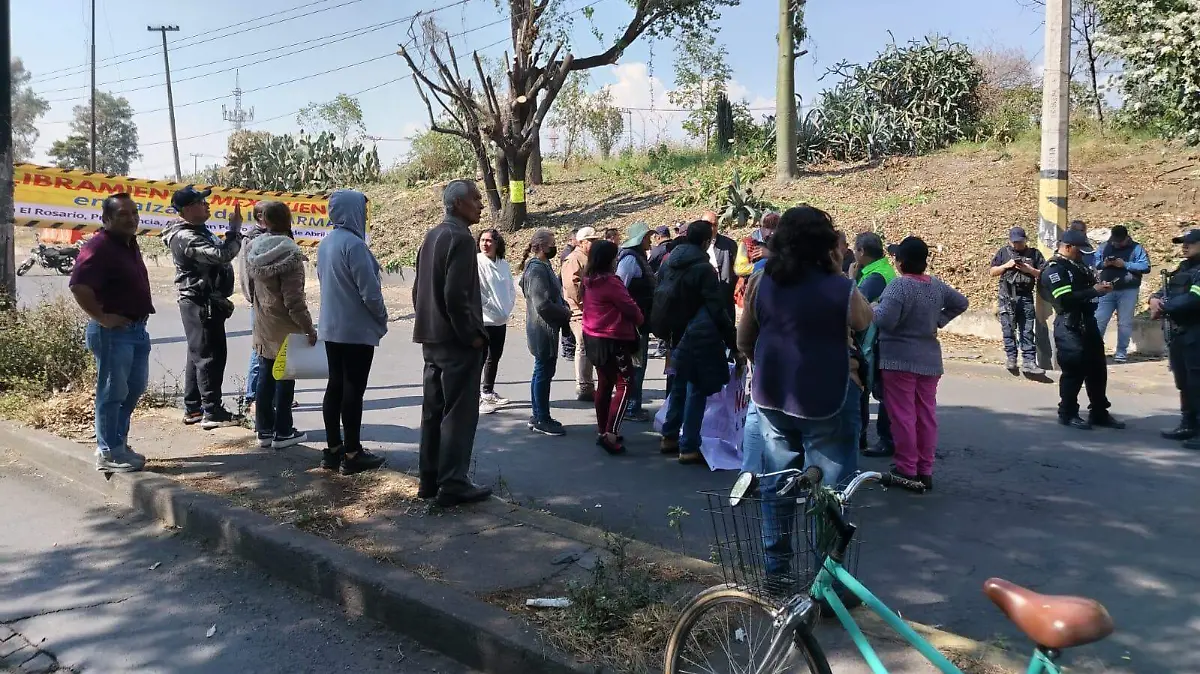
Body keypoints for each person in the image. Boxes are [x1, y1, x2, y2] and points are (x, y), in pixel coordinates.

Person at [738, 206, 871, 580]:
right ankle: (824, 584)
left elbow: (745, 339)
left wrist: (768, 366)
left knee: (776, 486)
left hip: (772, 397)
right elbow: (864, 320)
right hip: (829, 398)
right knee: (830, 496)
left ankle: (776, 573)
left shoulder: (761, 281)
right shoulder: (839, 287)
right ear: (826, 246)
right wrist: (838, 271)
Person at [412, 179, 493, 507]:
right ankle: (454, 483)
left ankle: (429, 480)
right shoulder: (461, 238)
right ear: (458, 204)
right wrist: (471, 336)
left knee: (433, 412)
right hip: (456, 342)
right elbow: (456, 297)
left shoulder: (432, 235)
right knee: (458, 415)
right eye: (476, 198)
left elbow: (418, 291)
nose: (481, 204)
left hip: (431, 338)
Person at [872, 237, 969, 490]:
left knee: (902, 416)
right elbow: (961, 302)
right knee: (926, 415)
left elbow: (885, 321)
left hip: (898, 360)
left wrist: (872, 309)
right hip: (929, 359)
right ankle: (925, 469)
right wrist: (938, 320)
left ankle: (907, 467)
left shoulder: (898, 286)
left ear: (901, 262)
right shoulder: (935, 285)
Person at [69, 192, 154, 473]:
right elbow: (79, 286)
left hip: (137, 330)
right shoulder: (100, 246)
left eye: (134, 213)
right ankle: (108, 452)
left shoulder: (129, 243)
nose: (131, 219)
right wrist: (102, 317)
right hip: (113, 333)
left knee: (133, 389)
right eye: (123, 214)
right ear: (106, 219)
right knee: (112, 392)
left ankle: (118, 443)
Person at [655, 219, 742, 464]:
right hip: (698, 334)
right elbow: (716, 308)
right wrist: (732, 343)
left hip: (675, 332)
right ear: (706, 242)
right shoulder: (703, 269)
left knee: (678, 385)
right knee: (696, 388)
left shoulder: (669, 262)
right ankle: (689, 446)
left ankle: (669, 435)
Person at [317, 190, 388, 475]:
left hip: (332, 327)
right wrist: (381, 317)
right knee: (353, 390)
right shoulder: (355, 245)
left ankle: (333, 449)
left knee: (335, 385)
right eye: (363, 210)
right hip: (355, 329)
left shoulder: (326, 243)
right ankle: (353, 452)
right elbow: (369, 292)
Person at [162, 185, 243, 429]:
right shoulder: (185, 237)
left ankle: (194, 408)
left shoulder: (197, 230)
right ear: (187, 209)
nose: (207, 205)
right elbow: (221, 255)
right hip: (200, 301)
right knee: (210, 357)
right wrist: (234, 232)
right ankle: (212, 411)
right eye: (200, 202)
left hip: (206, 301)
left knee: (198, 354)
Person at [244, 201, 316, 450]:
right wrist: (308, 328)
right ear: (288, 220)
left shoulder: (253, 248)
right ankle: (283, 431)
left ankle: (264, 429)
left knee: (265, 375)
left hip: (263, 321)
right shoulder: (290, 254)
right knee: (285, 378)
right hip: (285, 324)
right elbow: (294, 300)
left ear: (264, 221)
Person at [1038, 229, 1125, 431]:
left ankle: (1099, 412)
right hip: (1069, 324)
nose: (1082, 255)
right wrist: (1092, 291)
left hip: (1088, 321)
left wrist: (1100, 288)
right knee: (1074, 370)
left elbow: (1086, 289)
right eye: (1079, 251)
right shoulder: (1054, 269)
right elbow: (1064, 300)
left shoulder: (1077, 265)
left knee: (1097, 369)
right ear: (1068, 247)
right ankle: (1068, 412)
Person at [583, 240, 645, 454]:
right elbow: (629, 306)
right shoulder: (610, 282)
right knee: (625, 384)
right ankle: (610, 433)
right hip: (612, 338)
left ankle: (602, 429)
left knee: (604, 382)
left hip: (592, 336)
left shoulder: (588, 279)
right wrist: (640, 319)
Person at [1150, 229, 1200, 447]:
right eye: (1183, 243)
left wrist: (1163, 307)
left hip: (1196, 331)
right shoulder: (1183, 267)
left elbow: (1195, 298)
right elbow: (1164, 290)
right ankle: (1188, 424)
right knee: (1184, 381)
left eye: (1190, 242)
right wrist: (1154, 299)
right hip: (1181, 332)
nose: (1185, 246)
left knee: (1198, 382)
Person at [520, 229, 571, 436]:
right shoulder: (536, 269)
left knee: (541, 371)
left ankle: (538, 414)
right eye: (551, 243)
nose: (554, 247)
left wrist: (563, 305)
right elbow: (542, 304)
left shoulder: (544, 265)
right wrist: (564, 313)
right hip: (542, 328)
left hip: (545, 327)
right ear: (541, 246)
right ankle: (542, 417)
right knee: (543, 372)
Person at [852, 232, 898, 458]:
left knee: (866, 388)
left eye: (854, 249)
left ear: (861, 251)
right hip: (879, 338)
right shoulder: (880, 269)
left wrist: (850, 279)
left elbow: (856, 306)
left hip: (874, 341)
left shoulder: (875, 277)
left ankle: (871, 437)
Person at [988, 226, 1046, 373]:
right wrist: (1006, 266)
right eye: (1014, 242)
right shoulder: (1003, 252)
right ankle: (1011, 358)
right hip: (1006, 297)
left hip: (1025, 296)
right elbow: (992, 272)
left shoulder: (1034, 254)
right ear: (1009, 241)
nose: (1017, 245)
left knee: (1027, 330)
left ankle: (1029, 361)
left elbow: (1044, 274)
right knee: (1008, 329)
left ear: (1025, 240)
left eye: (1019, 242)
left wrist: (1028, 269)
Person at [1094, 224, 1151, 363]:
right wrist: (1104, 264)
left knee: (1124, 322)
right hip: (1106, 289)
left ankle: (1121, 352)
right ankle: (1094, 351)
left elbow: (1145, 266)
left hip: (1128, 290)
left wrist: (1125, 264)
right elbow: (1094, 263)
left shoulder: (1137, 248)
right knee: (1099, 320)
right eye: (1114, 241)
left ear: (1127, 238)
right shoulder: (1104, 247)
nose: (1116, 244)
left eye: (1120, 241)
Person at [616, 222, 655, 422]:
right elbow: (620, 288)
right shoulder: (630, 260)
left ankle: (632, 404)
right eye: (647, 237)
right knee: (636, 365)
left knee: (637, 364)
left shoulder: (638, 258)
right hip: (634, 322)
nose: (650, 240)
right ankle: (631, 406)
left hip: (640, 319)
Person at [477, 228, 517, 415]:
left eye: (489, 241)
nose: (485, 244)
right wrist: (492, 308)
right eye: (482, 240)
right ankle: (475, 398)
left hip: (501, 319)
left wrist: (507, 308)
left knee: (494, 357)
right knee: (479, 359)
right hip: (484, 319)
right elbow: (478, 292)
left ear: (497, 243)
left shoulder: (503, 264)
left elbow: (510, 289)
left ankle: (488, 392)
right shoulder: (477, 262)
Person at [562, 226, 601, 401]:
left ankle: (589, 384)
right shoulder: (574, 259)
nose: (594, 243)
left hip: (591, 309)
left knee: (590, 345)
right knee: (583, 344)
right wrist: (584, 302)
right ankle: (584, 386)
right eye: (591, 240)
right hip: (579, 311)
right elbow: (572, 285)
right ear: (581, 242)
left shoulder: (589, 258)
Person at [239, 202, 270, 414]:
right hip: (261, 302)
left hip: (276, 305)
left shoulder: (279, 235)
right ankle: (252, 396)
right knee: (260, 349)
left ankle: (273, 394)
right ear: (260, 217)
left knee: (278, 350)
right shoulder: (252, 239)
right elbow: (247, 274)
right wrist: (255, 299)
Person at [733, 212, 778, 307]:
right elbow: (739, 269)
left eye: (775, 228)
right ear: (761, 227)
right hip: (751, 294)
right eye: (767, 227)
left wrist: (771, 255)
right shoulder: (747, 243)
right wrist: (762, 264)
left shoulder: (782, 244)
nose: (771, 232)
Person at [700, 210, 739, 320]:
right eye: (709, 225)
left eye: (715, 225)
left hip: (725, 298)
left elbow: (737, 270)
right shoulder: (696, 243)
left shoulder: (729, 245)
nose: (712, 228)